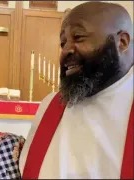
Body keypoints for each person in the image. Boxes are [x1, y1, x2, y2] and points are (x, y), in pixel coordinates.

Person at [20, 2, 133, 179]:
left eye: (78, 37)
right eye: (63, 42)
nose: (65, 51)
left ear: (122, 42)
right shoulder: (50, 105)